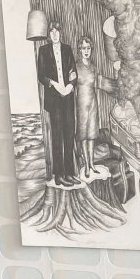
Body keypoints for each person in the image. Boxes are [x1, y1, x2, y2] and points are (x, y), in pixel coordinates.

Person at [36, 20, 77, 187]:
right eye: (51, 31)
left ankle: (70, 173)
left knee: (69, 134)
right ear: (48, 34)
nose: (54, 34)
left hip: (67, 97)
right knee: (57, 136)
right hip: (54, 99)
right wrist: (54, 84)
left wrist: (70, 86)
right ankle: (59, 175)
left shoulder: (67, 49)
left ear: (61, 33)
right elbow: (41, 76)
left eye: (57, 31)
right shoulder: (43, 51)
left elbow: (73, 71)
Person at [73, 35, 100, 177]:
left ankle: (92, 163)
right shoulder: (75, 67)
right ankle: (87, 166)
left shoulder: (94, 67)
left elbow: (97, 85)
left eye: (88, 48)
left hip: (93, 104)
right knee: (83, 135)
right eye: (83, 48)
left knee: (91, 135)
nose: (86, 51)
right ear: (80, 50)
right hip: (81, 104)